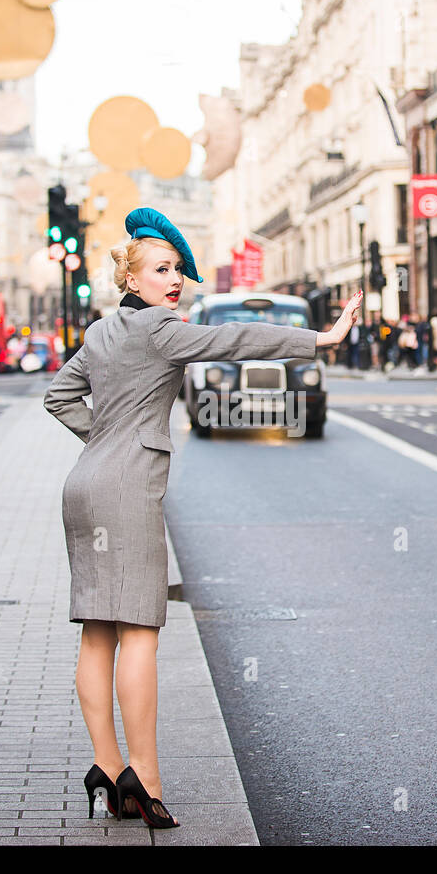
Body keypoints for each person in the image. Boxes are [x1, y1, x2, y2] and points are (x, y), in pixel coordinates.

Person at [43, 206, 361, 830]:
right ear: (131, 279)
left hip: (81, 489)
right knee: (138, 631)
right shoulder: (161, 329)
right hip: (126, 492)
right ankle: (146, 778)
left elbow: (57, 395)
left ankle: (107, 769)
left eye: (179, 271)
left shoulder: (101, 334)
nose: (175, 281)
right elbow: (236, 339)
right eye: (162, 270)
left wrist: (104, 439)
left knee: (96, 633)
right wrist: (320, 340)